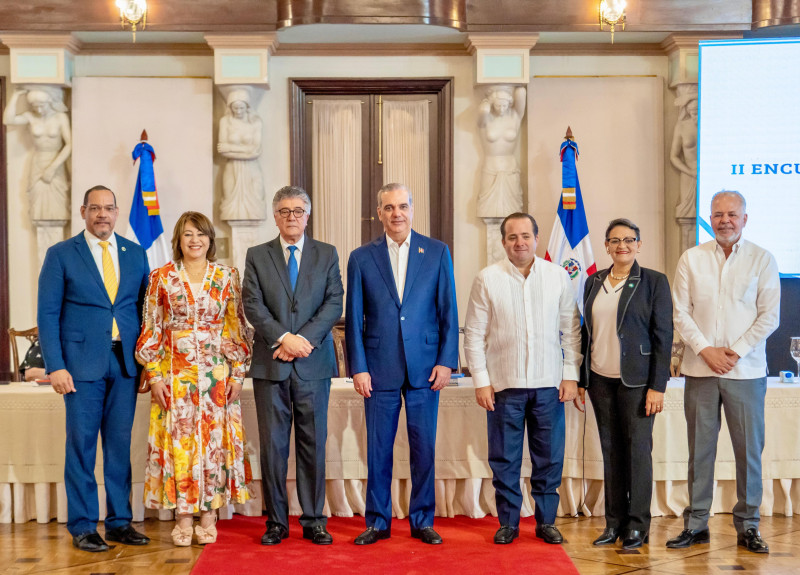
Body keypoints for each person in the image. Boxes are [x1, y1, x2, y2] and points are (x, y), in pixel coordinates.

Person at [37, 185, 150, 552]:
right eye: (95, 208)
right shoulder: (61, 254)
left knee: (119, 447)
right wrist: (55, 366)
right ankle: (83, 526)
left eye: (109, 208)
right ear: (84, 211)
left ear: (117, 213)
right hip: (79, 368)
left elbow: (146, 314)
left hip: (125, 366)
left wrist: (149, 363)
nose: (102, 215)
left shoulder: (136, 254)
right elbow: (48, 315)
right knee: (82, 448)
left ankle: (119, 522)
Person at [345, 183, 459, 545]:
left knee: (423, 446)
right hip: (378, 369)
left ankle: (422, 519)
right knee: (378, 449)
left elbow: (448, 313)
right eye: (389, 208)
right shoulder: (362, 257)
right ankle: (377, 522)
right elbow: (354, 320)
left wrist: (446, 362)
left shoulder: (437, 252)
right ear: (379, 213)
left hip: (427, 368)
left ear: (413, 209)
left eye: (403, 206)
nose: (397, 214)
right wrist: (358, 367)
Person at [668, 190, 780, 554]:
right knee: (700, 450)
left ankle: (748, 526)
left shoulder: (762, 259)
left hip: (745, 371)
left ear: (744, 219)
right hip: (700, 370)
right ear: (710, 218)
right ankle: (696, 524)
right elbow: (680, 312)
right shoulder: (691, 258)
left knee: (748, 451)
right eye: (718, 214)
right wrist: (706, 350)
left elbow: (769, 316)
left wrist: (735, 352)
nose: (725, 220)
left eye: (732, 214)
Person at [136, 211, 253, 546]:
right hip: (175, 376)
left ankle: (209, 515)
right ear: (179, 240)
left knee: (214, 446)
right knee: (180, 444)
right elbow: (151, 329)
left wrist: (238, 372)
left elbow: (236, 327)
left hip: (217, 377)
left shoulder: (227, 276)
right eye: (188, 234)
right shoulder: (162, 277)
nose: (195, 240)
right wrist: (155, 375)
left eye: (200, 234)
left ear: (210, 239)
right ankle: (183, 515)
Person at [463, 212, 580, 545]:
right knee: (505, 459)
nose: (520, 242)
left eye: (526, 236)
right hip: (504, 386)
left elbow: (571, 331)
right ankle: (509, 523)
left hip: (548, 385)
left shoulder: (557, 276)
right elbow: (473, 334)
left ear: (537, 239)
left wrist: (570, 375)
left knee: (549, 459)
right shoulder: (487, 278)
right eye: (512, 237)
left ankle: (545, 522)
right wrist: (481, 381)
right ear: (503, 242)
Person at [242, 186, 343, 546]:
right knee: (272, 446)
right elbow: (252, 305)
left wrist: (303, 341)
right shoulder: (257, 255)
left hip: (313, 365)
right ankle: (277, 523)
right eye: (284, 211)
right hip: (271, 365)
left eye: (298, 211)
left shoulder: (326, 254)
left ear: (308, 215)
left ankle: (314, 520)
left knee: (313, 443)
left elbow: (334, 303)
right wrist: (284, 338)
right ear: (275, 216)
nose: (292, 217)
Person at [578, 218, 673, 550]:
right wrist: (581, 379)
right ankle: (613, 522)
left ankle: (636, 525)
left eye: (629, 239)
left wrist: (657, 386)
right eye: (615, 240)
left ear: (639, 244)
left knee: (637, 452)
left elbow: (664, 337)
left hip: (637, 382)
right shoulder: (593, 282)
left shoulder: (654, 282)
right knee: (610, 451)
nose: (622, 245)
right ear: (606, 246)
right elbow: (585, 333)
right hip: (600, 380)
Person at [3, 87, 72, 221]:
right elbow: (7, 120)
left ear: (50, 102)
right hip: (38, 162)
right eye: (35, 107)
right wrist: (15, 95)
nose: (39, 110)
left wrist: (52, 168)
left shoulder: (60, 117)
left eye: (42, 106)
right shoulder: (30, 116)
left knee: (57, 205)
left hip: (55, 162)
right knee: (37, 205)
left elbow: (69, 144)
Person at [217, 87, 266, 221]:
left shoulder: (255, 122)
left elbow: (256, 151)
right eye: (235, 108)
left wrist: (231, 147)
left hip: (251, 169)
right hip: (232, 168)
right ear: (230, 108)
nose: (238, 111)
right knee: (229, 203)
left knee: (256, 199)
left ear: (247, 107)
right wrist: (246, 150)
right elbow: (222, 150)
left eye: (241, 108)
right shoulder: (225, 122)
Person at [477, 86, 526, 218]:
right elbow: (481, 115)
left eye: (504, 105)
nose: (501, 109)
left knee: (513, 214)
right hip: (491, 168)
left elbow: (521, 92)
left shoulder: (515, 117)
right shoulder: (485, 118)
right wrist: (485, 107)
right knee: (487, 212)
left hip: (510, 168)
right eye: (498, 105)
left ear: (509, 103)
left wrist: (518, 75)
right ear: (493, 103)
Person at [670, 94, 698, 220]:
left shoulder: (712, 126)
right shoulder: (682, 126)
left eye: (698, 112)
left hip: (708, 177)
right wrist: (691, 172)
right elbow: (674, 156)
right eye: (692, 112)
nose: (695, 116)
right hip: (688, 175)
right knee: (687, 216)